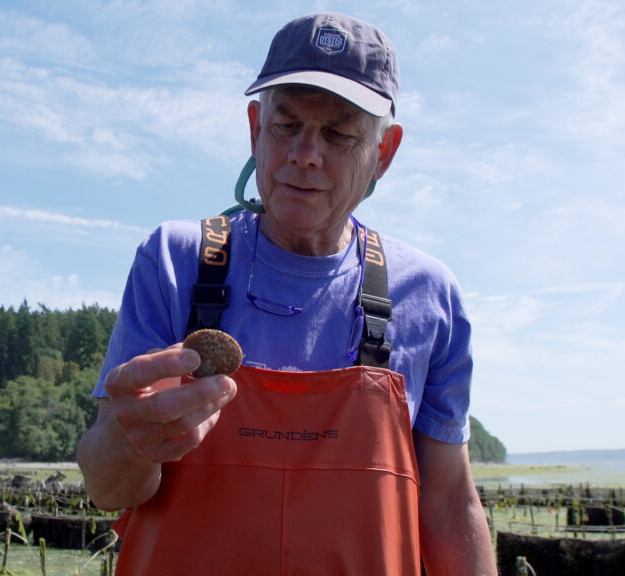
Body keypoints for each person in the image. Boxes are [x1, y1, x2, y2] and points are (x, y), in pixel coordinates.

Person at [77, 12, 497, 576]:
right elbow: (107, 487)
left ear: (385, 152)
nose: (304, 153)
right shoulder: (175, 262)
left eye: (339, 133)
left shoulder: (429, 295)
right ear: (255, 127)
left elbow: (448, 504)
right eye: (286, 124)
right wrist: (128, 440)